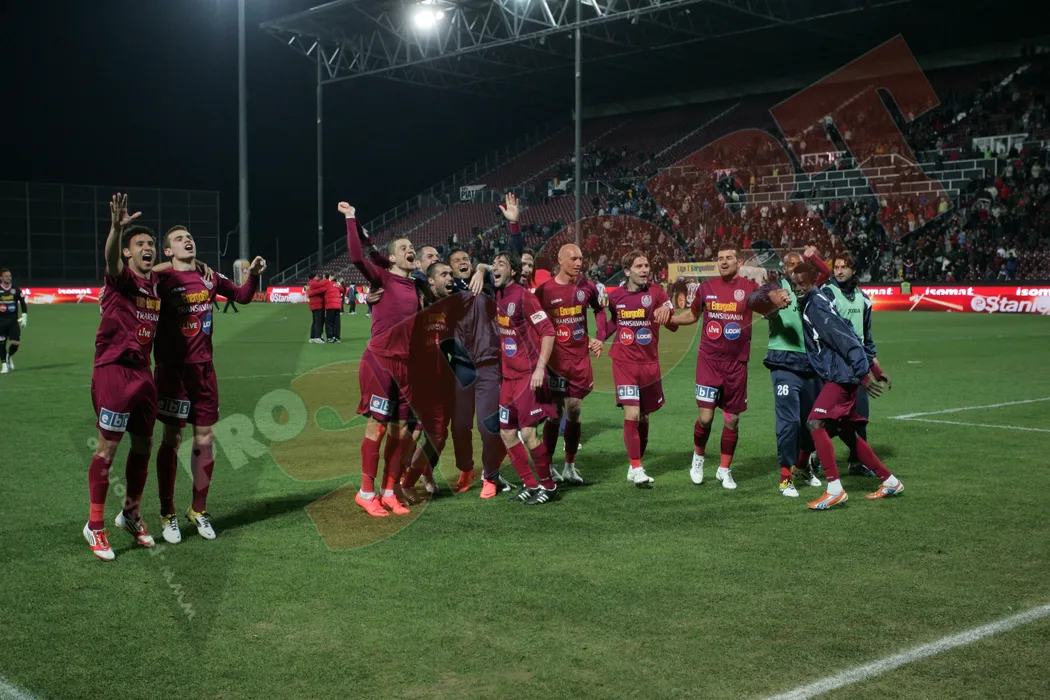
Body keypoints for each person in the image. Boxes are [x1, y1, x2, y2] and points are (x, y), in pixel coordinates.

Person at [151, 225, 265, 543]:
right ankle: (167, 513)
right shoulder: (162, 278)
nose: (187, 240)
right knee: (172, 440)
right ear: (168, 251)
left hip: (203, 372)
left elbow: (242, 296)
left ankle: (198, 509)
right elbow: (137, 274)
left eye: (189, 237)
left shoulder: (209, 276)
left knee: (206, 438)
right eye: (179, 239)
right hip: (173, 372)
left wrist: (254, 275)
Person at [789, 261, 903, 510]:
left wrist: (865, 375)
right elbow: (850, 331)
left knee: (814, 423)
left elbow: (844, 339)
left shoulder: (816, 305)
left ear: (812, 281)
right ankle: (890, 481)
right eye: (794, 283)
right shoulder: (816, 300)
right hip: (841, 373)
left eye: (802, 283)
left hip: (841, 375)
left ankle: (834, 489)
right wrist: (874, 369)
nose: (797, 288)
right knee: (847, 433)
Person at [84, 194, 161, 561]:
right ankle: (94, 525)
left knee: (143, 445)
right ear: (128, 252)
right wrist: (116, 229)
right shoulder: (121, 279)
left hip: (144, 373)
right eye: (140, 244)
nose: (147, 248)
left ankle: (130, 514)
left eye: (151, 243)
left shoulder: (155, 284)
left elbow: (171, 267)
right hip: (114, 369)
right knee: (108, 448)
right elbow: (111, 258)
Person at [671, 243, 786, 489]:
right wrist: (670, 319)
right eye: (720, 258)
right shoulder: (706, 288)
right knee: (705, 418)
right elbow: (692, 315)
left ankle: (724, 469)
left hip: (736, 364)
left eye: (728, 258)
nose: (723, 262)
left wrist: (776, 303)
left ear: (739, 262)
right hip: (709, 362)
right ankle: (698, 458)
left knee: (732, 419)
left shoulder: (750, 289)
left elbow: (769, 313)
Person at [342, 201, 420, 517]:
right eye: (404, 248)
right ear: (393, 258)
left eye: (411, 246)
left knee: (400, 430)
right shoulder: (383, 279)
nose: (410, 249)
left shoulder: (414, 284)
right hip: (380, 362)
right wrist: (351, 219)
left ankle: (388, 491)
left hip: (406, 365)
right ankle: (365, 492)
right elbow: (356, 257)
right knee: (377, 427)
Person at [752, 247, 829, 497]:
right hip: (783, 362)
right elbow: (754, 299)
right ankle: (785, 477)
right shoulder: (777, 287)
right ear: (783, 269)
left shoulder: (810, 289)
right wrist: (772, 297)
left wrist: (813, 256)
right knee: (789, 421)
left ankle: (803, 467)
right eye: (790, 265)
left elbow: (826, 272)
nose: (794, 268)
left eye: (799, 264)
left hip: (811, 363)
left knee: (812, 422)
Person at [532, 240, 608, 485]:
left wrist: (600, 337)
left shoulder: (587, 287)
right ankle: (549, 466)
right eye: (574, 259)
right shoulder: (545, 291)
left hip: (580, 360)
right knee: (555, 413)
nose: (579, 263)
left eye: (580, 258)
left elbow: (599, 310)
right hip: (556, 361)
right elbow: (534, 322)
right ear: (560, 261)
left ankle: (569, 466)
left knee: (574, 409)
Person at [599, 251, 677, 487]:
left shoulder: (657, 292)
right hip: (624, 362)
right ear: (627, 271)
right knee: (632, 414)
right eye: (639, 266)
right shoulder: (616, 297)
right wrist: (600, 339)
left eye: (646, 265)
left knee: (644, 417)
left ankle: (635, 464)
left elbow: (670, 314)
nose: (645, 270)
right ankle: (637, 467)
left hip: (649, 364)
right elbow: (615, 321)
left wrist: (667, 312)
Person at [491, 250, 559, 505]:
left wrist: (540, 368)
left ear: (513, 271)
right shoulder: (499, 293)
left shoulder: (524, 297)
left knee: (529, 434)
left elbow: (548, 331)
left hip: (528, 377)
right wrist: (484, 268)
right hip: (508, 379)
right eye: (493, 264)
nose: (495, 268)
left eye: (501, 264)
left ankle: (549, 486)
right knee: (507, 434)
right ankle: (531, 484)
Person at [444, 247, 509, 497]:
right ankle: (466, 468)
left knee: (487, 426)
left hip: (488, 364)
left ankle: (490, 476)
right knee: (460, 426)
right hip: (461, 366)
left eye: (465, 259)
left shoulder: (488, 282)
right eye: (456, 261)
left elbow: (505, 267)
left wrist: (482, 268)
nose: (462, 262)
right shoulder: (448, 291)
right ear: (450, 268)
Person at [824, 252, 891, 476]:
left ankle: (856, 462)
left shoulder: (863, 298)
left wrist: (876, 368)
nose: (839, 271)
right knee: (830, 418)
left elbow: (866, 337)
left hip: (858, 365)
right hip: (835, 365)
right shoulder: (827, 294)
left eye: (844, 267)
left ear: (853, 270)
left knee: (860, 417)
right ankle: (811, 453)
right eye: (836, 267)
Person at [0, 268, 28, 374]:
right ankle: (4, 366)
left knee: (15, 343)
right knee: (1, 343)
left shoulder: (15, 289)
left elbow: (22, 302)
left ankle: (9, 356)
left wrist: (24, 315)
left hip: (12, 321)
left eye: (10, 276)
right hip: (1, 321)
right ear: (1, 278)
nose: (9, 278)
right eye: (6, 276)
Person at [307, 272, 327, 343]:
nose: (318, 277)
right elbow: (321, 285)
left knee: (315, 321)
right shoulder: (313, 283)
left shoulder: (311, 283)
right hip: (317, 305)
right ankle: (317, 337)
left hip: (314, 305)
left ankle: (312, 337)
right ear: (314, 277)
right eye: (317, 276)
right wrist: (326, 280)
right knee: (318, 321)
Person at [324, 273, 341, 343]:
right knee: (337, 322)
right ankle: (337, 337)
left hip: (330, 305)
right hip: (337, 306)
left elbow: (321, 290)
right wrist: (338, 284)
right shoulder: (337, 285)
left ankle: (330, 337)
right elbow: (343, 289)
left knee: (329, 322)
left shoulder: (327, 284)